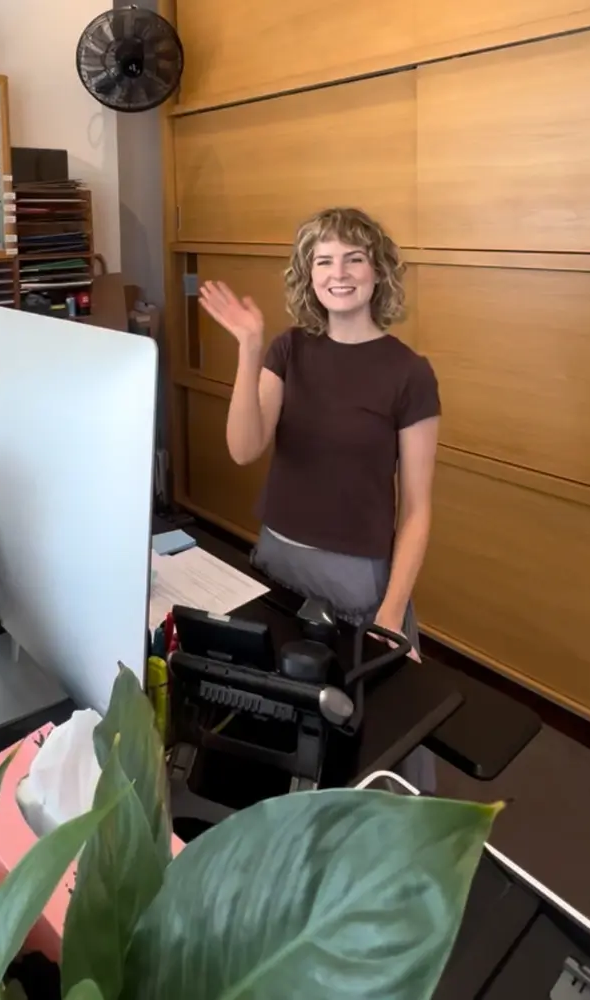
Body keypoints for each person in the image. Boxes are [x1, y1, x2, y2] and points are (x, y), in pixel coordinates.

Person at [199, 206, 441, 789]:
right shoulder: (287, 350)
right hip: (279, 566)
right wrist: (248, 347)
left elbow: (417, 510)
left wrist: (390, 615)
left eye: (354, 258)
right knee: (275, 723)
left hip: (359, 584)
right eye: (323, 260)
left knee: (362, 743)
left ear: (377, 271)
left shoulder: (409, 373)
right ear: (309, 276)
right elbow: (243, 446)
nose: (339, 272)